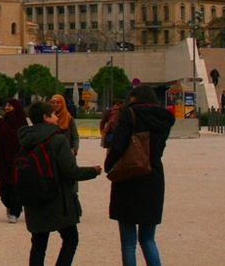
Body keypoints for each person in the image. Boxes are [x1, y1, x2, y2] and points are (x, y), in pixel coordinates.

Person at [18, 101, 102, 266]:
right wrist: (93, 171)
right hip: (57, 199)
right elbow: (70, 171)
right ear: (45, 117)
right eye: (53, 114)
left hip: (33, 198)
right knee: (71, 239)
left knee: (38, 244)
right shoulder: (58, 140)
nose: (56, 117)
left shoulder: (25, 140)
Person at [104, 85, 175, 266]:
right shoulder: (163, 118)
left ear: (135, 97)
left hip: (129, 175)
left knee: (128, 242)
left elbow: (118, 146)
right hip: (153, 175)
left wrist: (108, 166)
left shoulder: (130, 114)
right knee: (148, 239)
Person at [0, 98, 27, 223]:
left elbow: (28, 143)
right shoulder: (1, 123)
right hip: (4, 160)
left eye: (10, 105)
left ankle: (14, 211)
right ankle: (11, 206)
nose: (7, 107)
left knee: (17, 187)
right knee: (3, 189)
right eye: (6, 105)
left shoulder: (23, 123)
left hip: (19, 161)